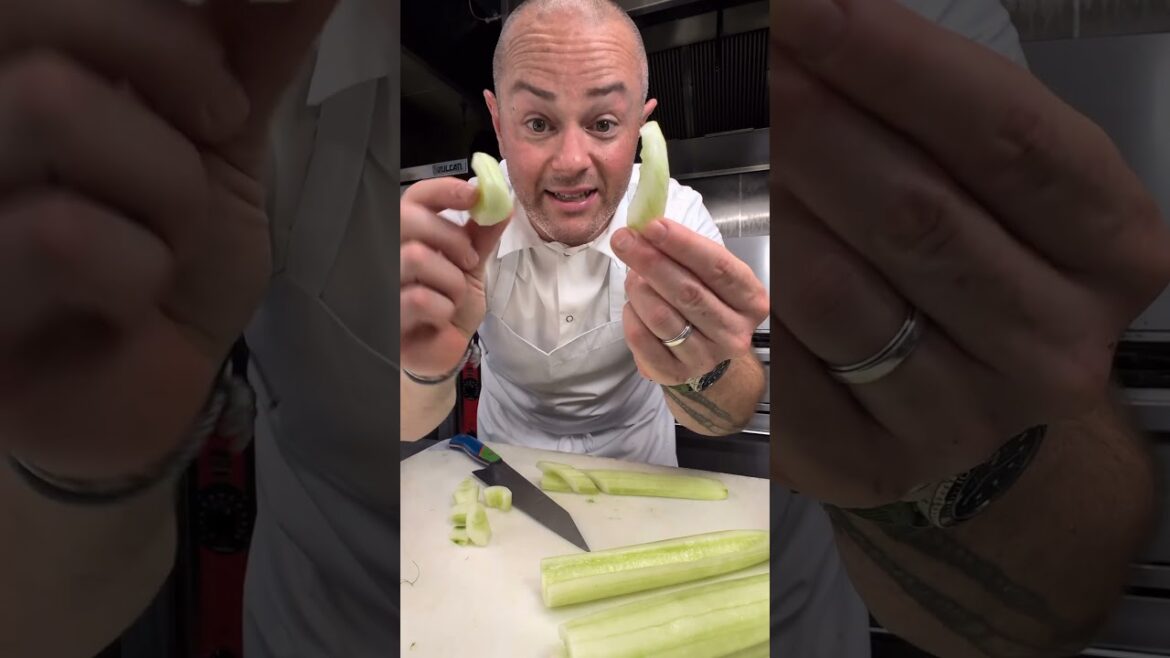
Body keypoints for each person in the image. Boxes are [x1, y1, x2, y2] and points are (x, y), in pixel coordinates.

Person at [399, 0, 769, 463]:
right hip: (508, 474)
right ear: (498, 122)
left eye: (604, 124)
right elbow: (409, 424)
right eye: (538, 123)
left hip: (640, 474)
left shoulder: (678, 215)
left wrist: (700, 368)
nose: (572, 161)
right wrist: (423, 367)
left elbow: (730, 415)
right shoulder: (462, 227)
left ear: (639, 126)